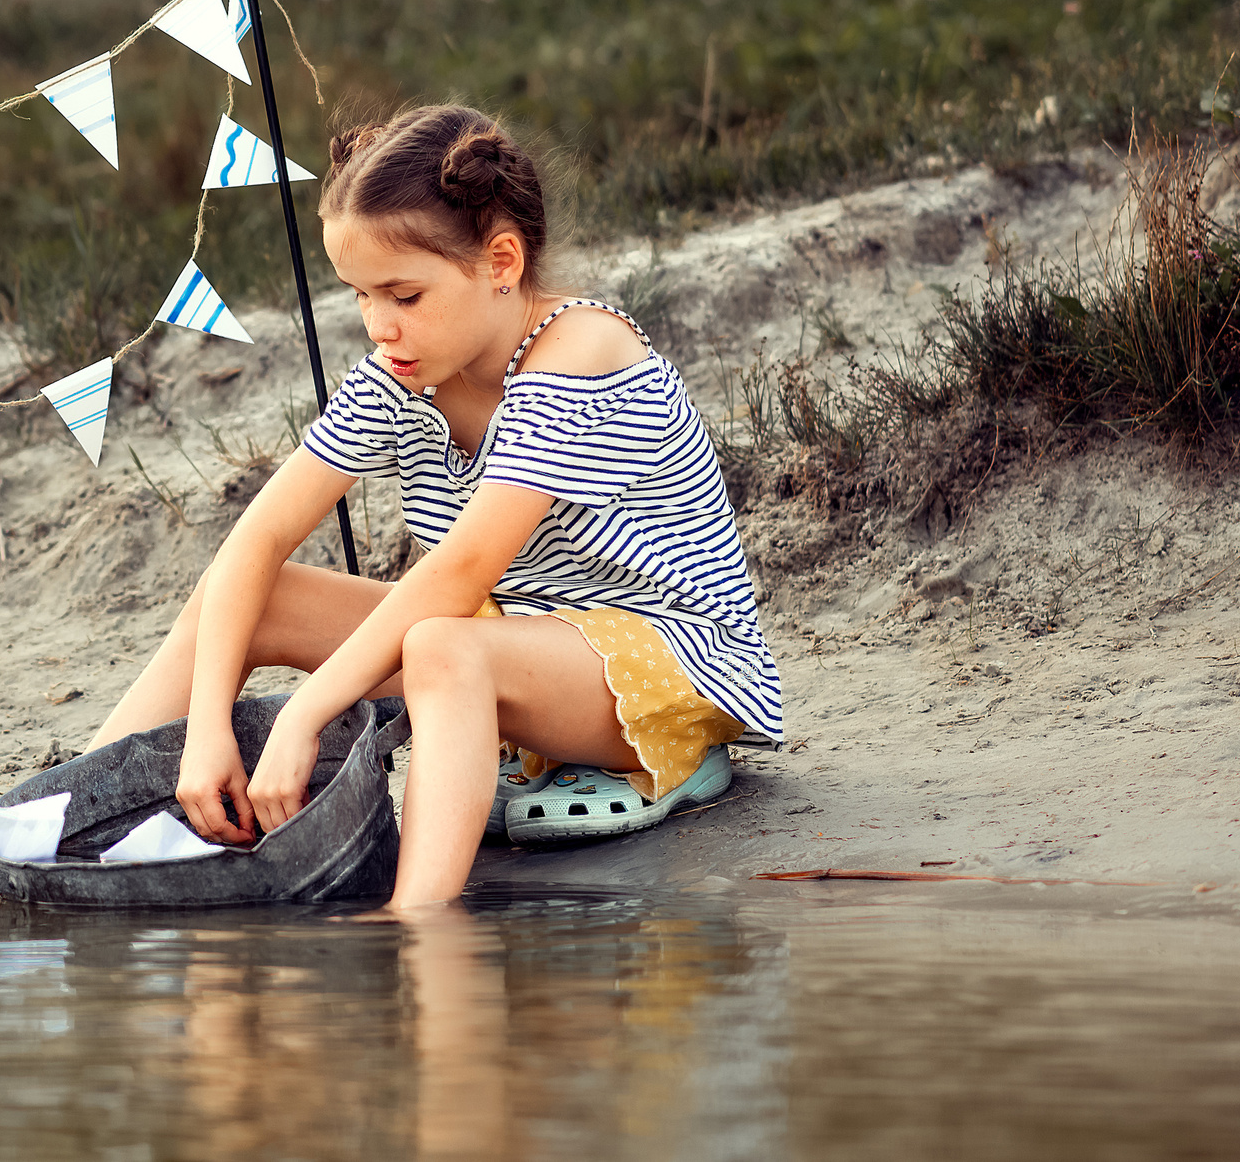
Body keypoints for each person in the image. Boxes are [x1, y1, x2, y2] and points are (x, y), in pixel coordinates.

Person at [87, 103, 783, 908]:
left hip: (675, 661)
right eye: (359, 296)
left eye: (404, 293)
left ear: (501, 260)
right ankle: (79, 814)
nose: (380, 325)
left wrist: (303, 713)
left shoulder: (581, 350)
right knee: (246, 598)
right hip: (518, 641)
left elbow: (461, 571)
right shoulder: (404, 366)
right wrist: (208, 728)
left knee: (443, 647)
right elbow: (257, 539)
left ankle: (416, 928)